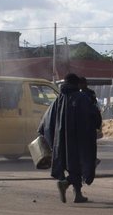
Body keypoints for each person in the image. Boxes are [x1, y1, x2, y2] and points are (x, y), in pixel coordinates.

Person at [37, 73, 99, 203]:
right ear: (77, 84)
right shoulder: (82, 98)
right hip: (79, 140)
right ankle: (66, 183)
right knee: (83, 163)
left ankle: (77, 194)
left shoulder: (58, 99)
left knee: (72, 166)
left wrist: (49, 136)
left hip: (61, 142)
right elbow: (94, 115)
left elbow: (47, 120)